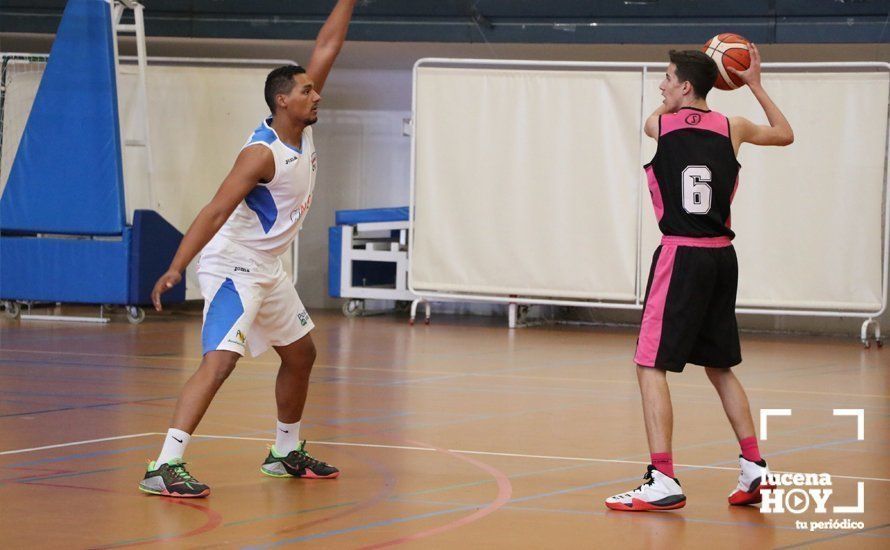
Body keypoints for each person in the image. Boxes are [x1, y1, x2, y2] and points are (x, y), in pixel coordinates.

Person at [139, 0, 358, 498]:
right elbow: (215, 211)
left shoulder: (300, 125)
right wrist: (177, 267)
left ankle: (284, 453)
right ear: (284, 101)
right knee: (220, 361)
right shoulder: (261, 154)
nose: (317, 94)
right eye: (307, 90)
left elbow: (328, 44)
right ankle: (164, 464)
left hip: (268, 267)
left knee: (301, 355)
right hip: (232, 265)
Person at [605, 45, 794, 511]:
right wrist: (750, 81)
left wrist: (693, 79)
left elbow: (656, 115)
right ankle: (755, 468)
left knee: (649, 364)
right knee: (719, 365)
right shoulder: (735, 127)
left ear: (685, 87)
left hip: (681, 255)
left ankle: (662, 477)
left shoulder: (661, 126)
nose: (662, 86)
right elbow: (785, 134)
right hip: (721, 257)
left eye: (669, 78)